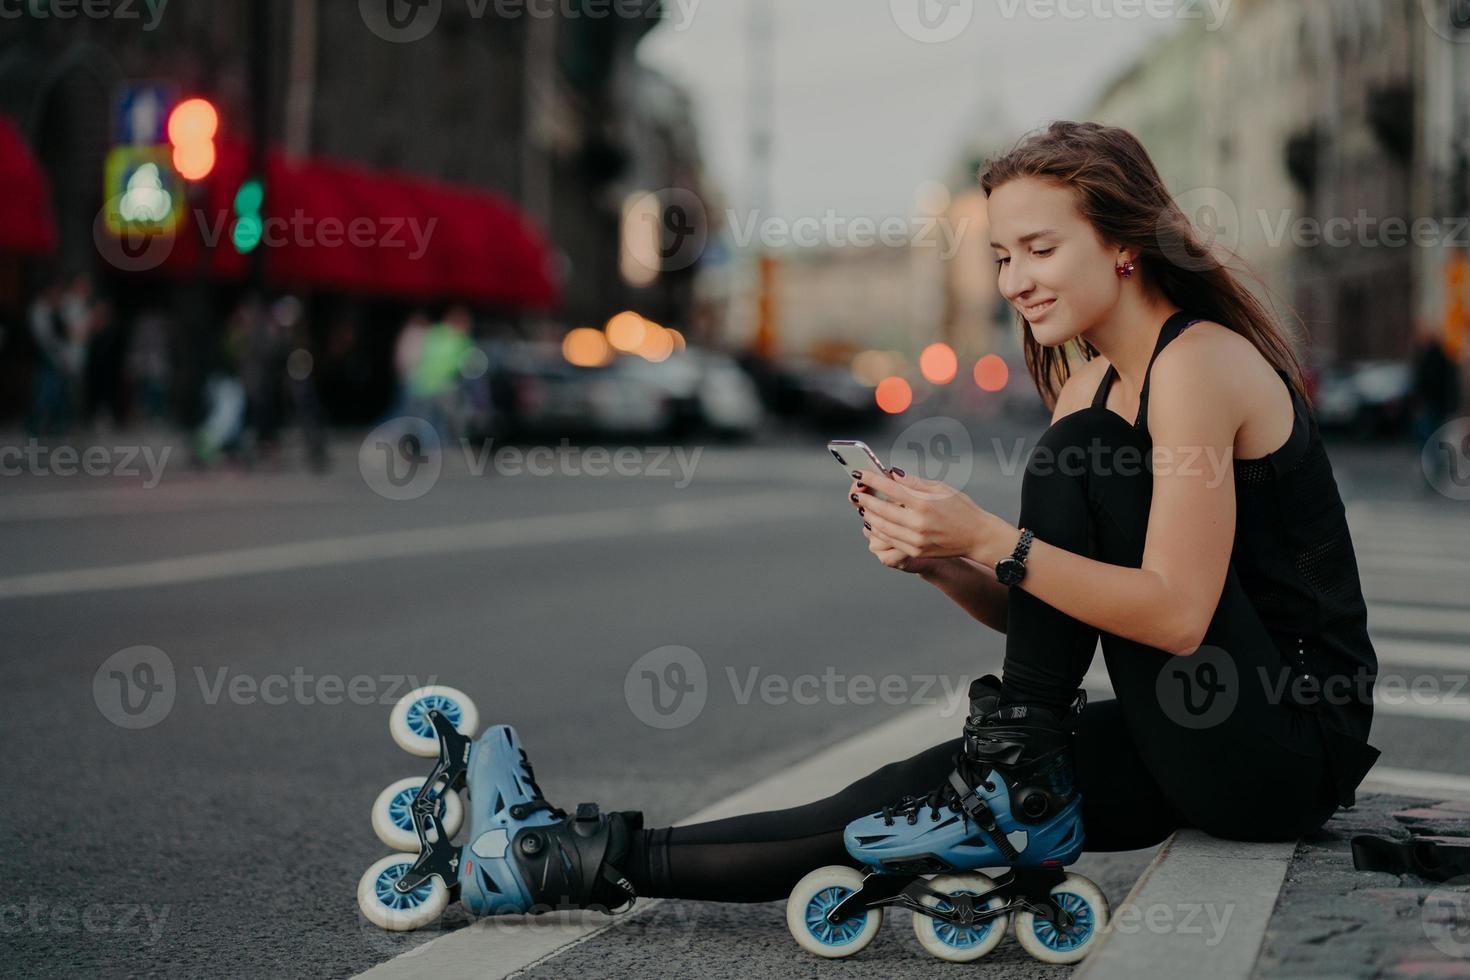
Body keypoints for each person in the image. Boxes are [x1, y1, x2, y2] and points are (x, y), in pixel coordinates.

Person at [418, 121, 1383, 916]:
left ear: (1125, 242)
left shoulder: (1197, 363)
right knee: (884, 803)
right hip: (1200, 717)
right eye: (1003, 255)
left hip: (1286, 740)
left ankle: (1017, 774)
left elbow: (1174, 614)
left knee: (1069, 461)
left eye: (1042, 250)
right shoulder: (1095, 381)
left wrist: (991, 540)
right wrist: (947, 561)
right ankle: (565, 859)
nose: (1014, 280)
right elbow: (1061, 614)